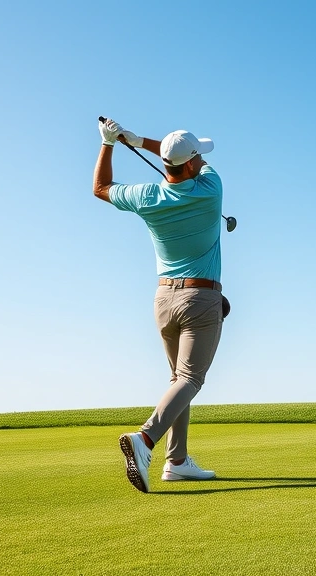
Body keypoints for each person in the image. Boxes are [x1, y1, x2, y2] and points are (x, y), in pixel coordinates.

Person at [93, 118, 224, 493]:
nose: (200, 160)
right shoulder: (211, 189)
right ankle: (145, 439)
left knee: (177, 380)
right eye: (196, 156)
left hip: (163, 301)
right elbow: (195, 165)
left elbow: (100, 188)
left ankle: (177, 461)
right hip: (201, 297)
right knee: (191, 379)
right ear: (190, 163)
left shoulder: (147, 196)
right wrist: (143, 141)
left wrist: (111, 144)